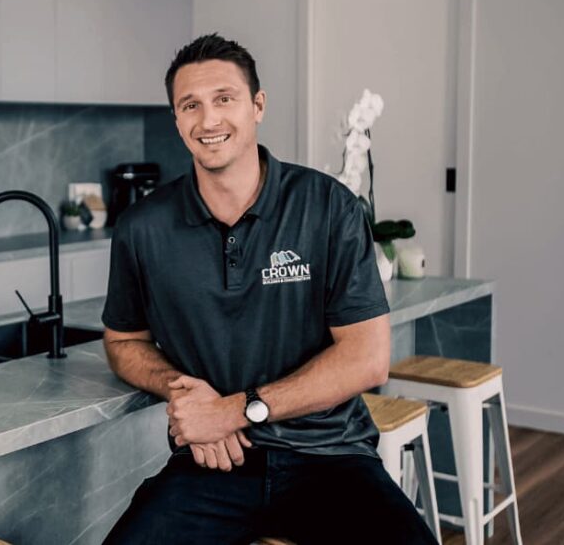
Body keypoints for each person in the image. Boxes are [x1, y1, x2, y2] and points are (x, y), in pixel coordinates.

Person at [100, 34, 436, 544]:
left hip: (331, 456)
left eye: (224, 99)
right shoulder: (142, 227)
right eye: (190, 105)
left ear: (258, 105)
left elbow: (368, 358)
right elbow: (123, 342)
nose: (208, 120)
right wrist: (188, 398)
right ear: (176, 119)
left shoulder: (327, 207)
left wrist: (233, 409)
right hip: (214, 462)